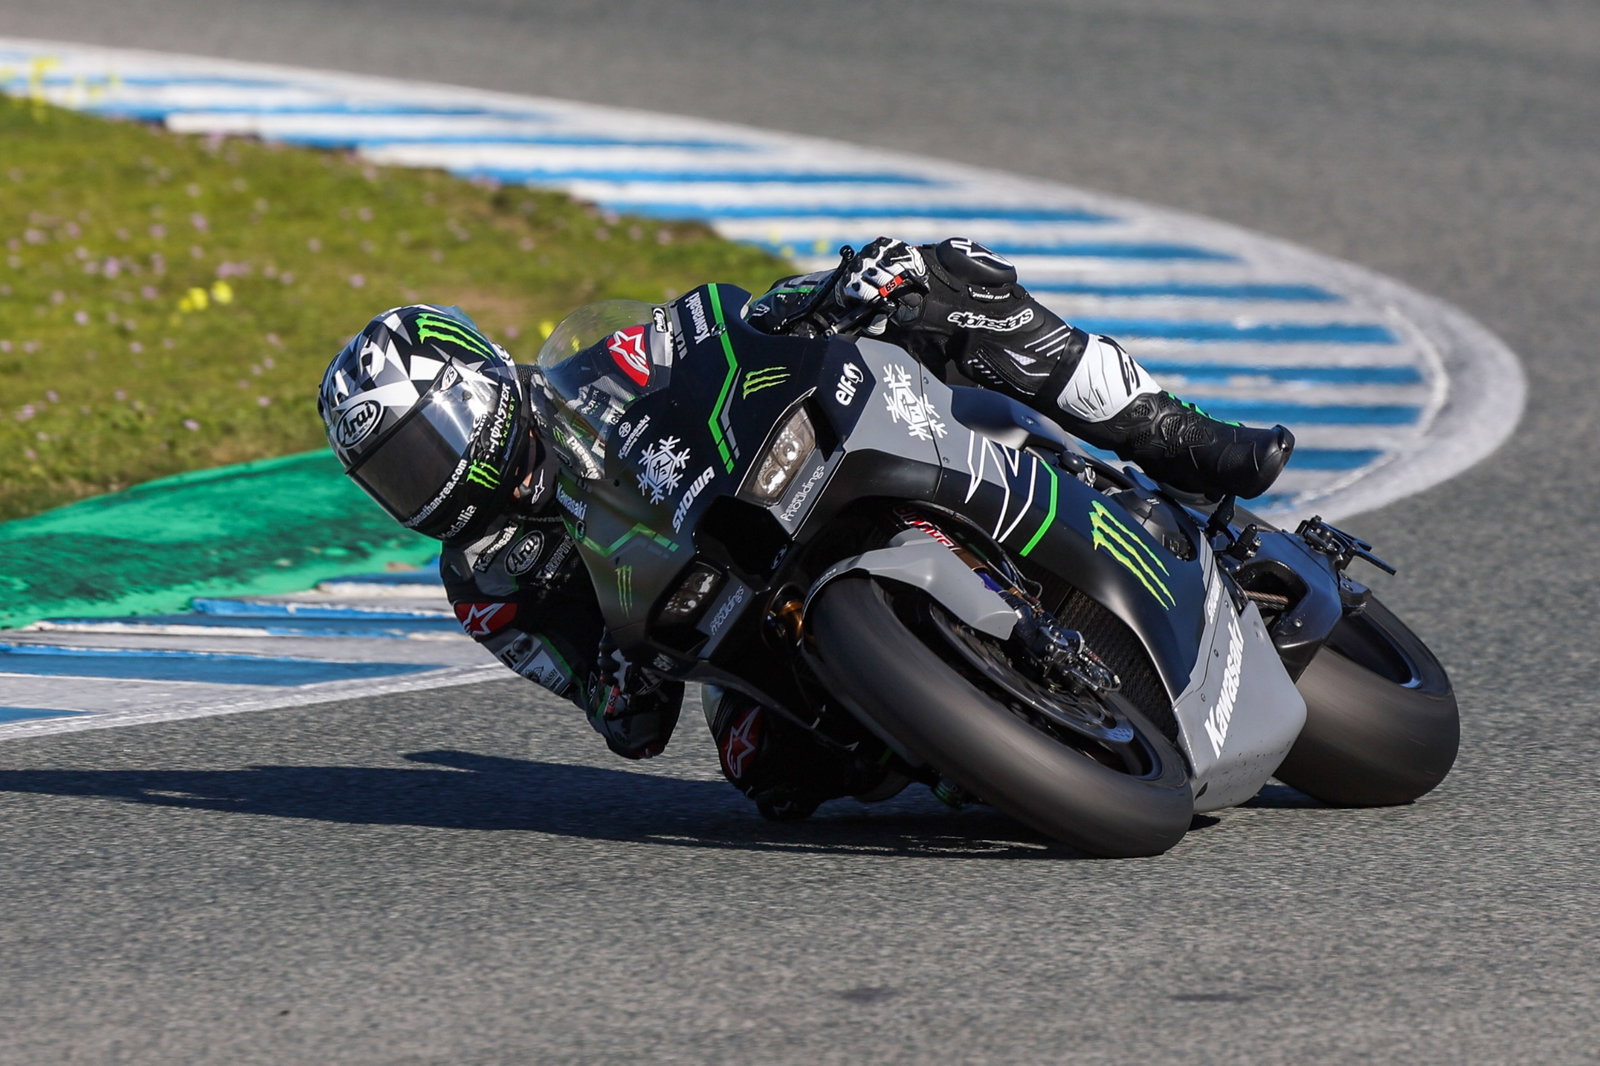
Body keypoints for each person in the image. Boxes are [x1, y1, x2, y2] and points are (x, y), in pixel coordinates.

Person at [317, 237, 1293, 820]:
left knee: (942, 279)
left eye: (425, 446)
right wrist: (623, 675)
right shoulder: (486, 582)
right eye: (396, 475)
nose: (425, 483)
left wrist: (825, 297)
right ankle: (978, 739)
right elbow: (620, 722)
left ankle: (1178, 439)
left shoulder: (598, 366)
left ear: (477, 387)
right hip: (726, 610)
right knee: (768, 776)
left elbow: (719, 329)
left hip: (781, 477)